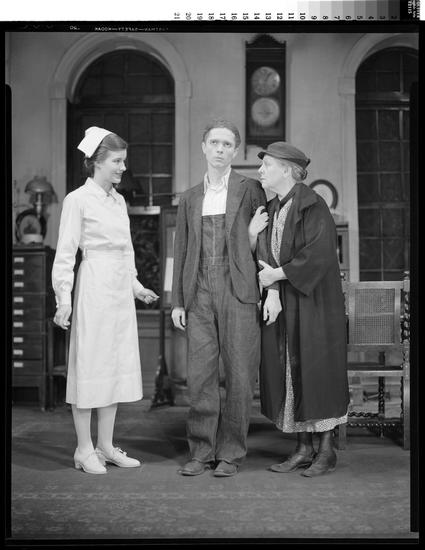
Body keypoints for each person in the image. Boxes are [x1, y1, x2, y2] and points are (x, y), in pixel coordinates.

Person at [52, 127, 159, 475]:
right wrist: (63, 299)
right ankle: (84, 450)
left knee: (111, 368)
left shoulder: (118, 201)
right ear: (97, 162)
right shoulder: (77, 200)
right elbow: (66, 253)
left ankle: (106, 446)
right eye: (117, 161)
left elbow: (126, 251)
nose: (122, 167)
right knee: (90, 366)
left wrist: (136, 287)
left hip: (118, 293)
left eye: (123, 161)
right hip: (94, 287)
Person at [171, 118, 268, 477]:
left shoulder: (251, 188)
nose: (220, 149)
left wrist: (269, 289)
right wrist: (178, 301)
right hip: (198, 290)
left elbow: (264, 244)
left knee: (240, 375)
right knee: (200, 376)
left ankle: (230, 453)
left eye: (228, 144)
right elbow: (181, 250)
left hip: (238, 288)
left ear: (235, 151)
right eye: (215, 142)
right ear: (204, 147)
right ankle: (201, 451)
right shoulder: (189, 197)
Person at [252, 141, 349, 477]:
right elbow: (265, 255)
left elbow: (319, 253)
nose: (261, 171)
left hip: (314, 303)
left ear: (287, 170)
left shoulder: (312, 204)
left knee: (317, 371)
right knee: (291, 371)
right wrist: (272, 289)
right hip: (286, 302)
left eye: (267, 165)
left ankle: (326, 450)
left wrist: (277, 276)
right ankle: (303, 447)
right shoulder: (273, 207)